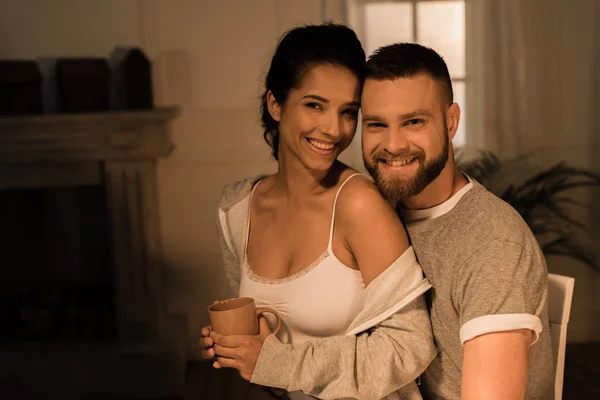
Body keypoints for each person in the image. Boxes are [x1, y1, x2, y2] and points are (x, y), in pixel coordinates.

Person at [199, 24, 437, 400]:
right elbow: (265, 350)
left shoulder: (359, 205)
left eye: (348, 112)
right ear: (275, 104)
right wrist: (240, 351)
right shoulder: (235, 209)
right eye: (314, 105)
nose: (333, 129)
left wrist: (276, 363)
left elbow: (411, 346)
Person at [359, 43, 555, 399]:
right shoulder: (371, 215)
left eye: (413, 121)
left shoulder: (493, 246)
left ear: (451, 122)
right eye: (376, 124)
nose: (393, 144)